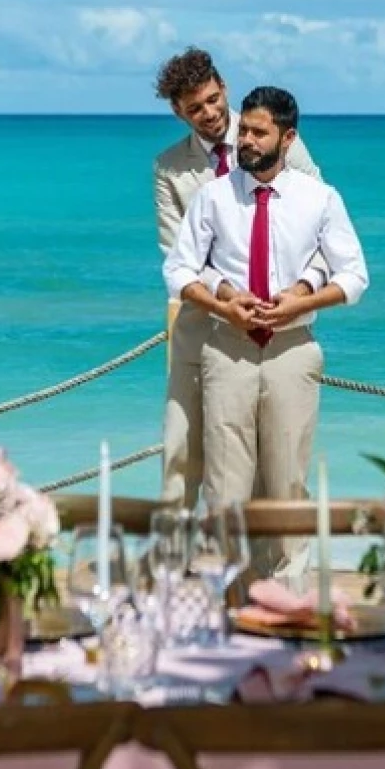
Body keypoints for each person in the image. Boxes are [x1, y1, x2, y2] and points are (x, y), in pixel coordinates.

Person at [163, 86, 366, 504]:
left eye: (258, 133)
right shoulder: (213, 196)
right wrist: (222, 305)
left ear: (287, 139)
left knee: (287, 482)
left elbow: (354, 276)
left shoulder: (321, 199)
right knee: (225, 484)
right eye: (244, 132)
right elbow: (178, 268)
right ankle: (232, 570)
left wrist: (303, 300)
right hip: (226, 347)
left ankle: (287, 572)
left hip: (292, 348)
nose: (246, 141)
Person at [151, 49, 318, 506]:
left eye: (211, 99)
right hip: (199, 326)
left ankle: (265, 575)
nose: (207, 114)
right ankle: (178, 568)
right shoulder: (169, 168)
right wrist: (225, 299)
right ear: (177, 111)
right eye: (193, 108)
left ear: (223, 87)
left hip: (272, 329)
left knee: (272, 467)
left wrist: (299, 294)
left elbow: (315, 217)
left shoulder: (275, 136)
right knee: (181, 457)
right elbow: (177, 255)